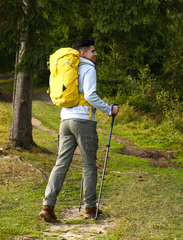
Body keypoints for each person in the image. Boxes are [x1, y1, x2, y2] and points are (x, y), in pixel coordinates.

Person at [40, 39, 119, 222]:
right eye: (92, 51)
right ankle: (90, 208)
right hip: (83, 121)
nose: (95, 54)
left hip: (65, 120)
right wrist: (109, 109)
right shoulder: (88, 68)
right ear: (82, 53)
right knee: (89, 165)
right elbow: (90, 95)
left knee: (61, 163)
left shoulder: (69, 67)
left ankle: (47, 206)